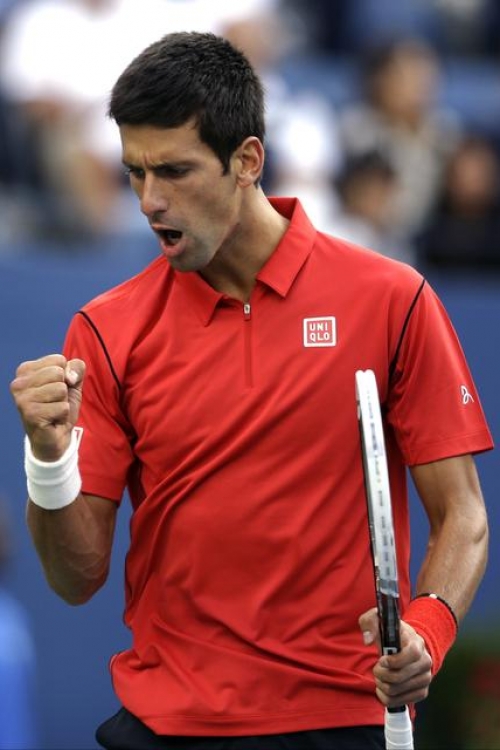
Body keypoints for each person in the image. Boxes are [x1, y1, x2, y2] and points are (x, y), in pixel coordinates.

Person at [9, 32, 493, 750]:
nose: (149, 201)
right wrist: (48, 462)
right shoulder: (106, 331)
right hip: (167, 725)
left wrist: (427, 628)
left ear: (247, 161)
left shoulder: (393, 300)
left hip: (343, 721)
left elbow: (463, 515)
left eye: (174, 171)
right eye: (135, 172)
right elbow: (75, 578)